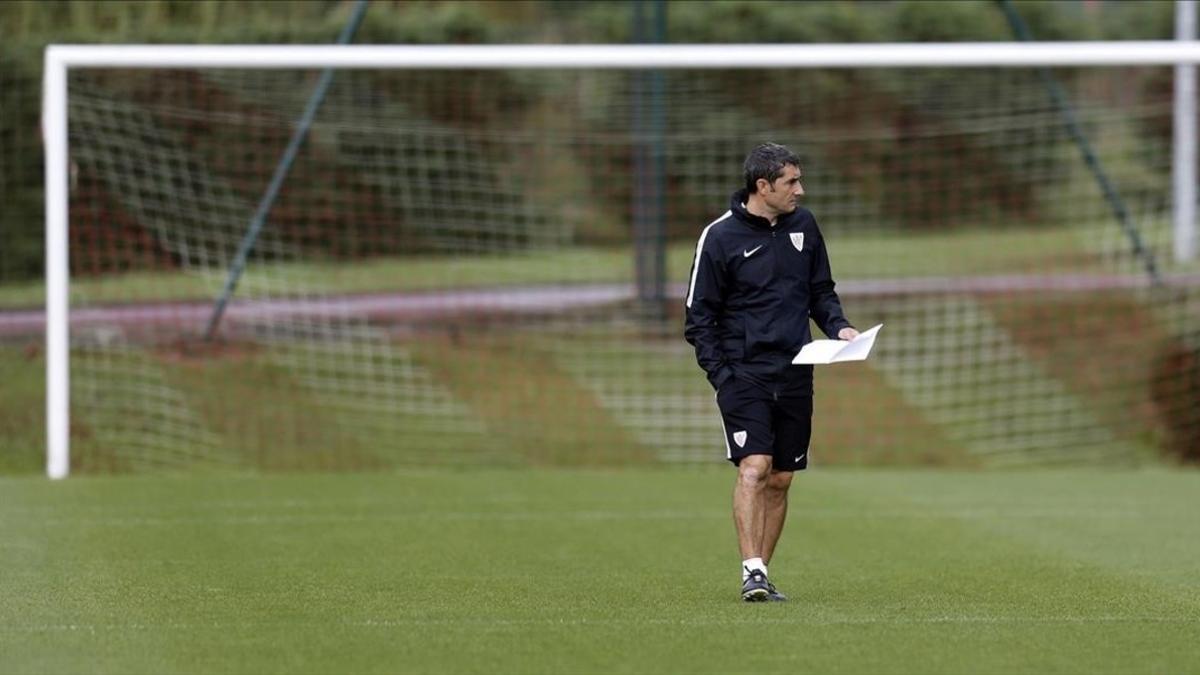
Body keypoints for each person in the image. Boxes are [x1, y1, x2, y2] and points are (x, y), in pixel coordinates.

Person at [684, 142, 858, 602]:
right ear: (763, 186)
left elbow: (821, 291)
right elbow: (698, 317)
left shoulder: (805, 226)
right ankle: (752, 569)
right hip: (744, 374)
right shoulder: (719, 237)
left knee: (781, 477)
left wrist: (839, 328)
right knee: (754, 467)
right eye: (791, 182)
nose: (800, 190)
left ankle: (760, 575)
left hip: (798, 370)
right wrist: (722, 375)